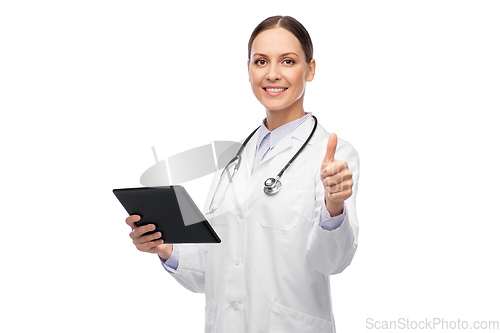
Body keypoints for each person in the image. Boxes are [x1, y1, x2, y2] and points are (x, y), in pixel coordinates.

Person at [125, 15, 360, 333]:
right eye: (261, 61)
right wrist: (164, 247)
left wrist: (334, 207)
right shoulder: (233, 161)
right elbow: (213, 269)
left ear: (311, 69)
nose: (272, 74)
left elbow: (331, 262)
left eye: (288, 61)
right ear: (249, 70)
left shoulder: (333, 155)